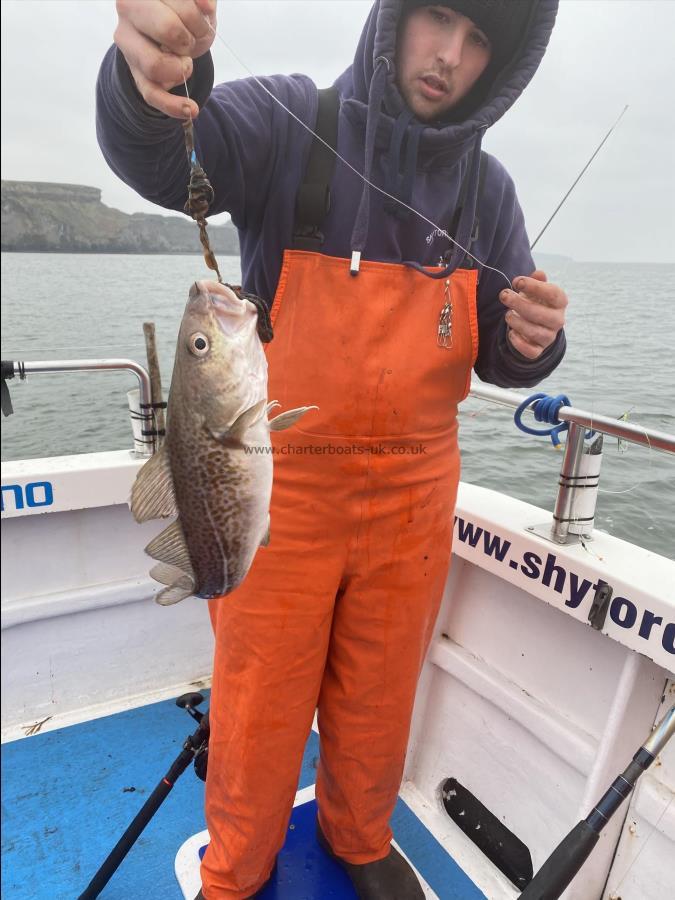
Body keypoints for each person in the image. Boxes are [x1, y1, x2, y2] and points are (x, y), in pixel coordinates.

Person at [98, 1, 567, 897]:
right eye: (439, 20)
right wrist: (150, 78)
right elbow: (164, 160)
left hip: (417, 495)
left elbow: (502, 350)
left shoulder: (488, 188)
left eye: (478, 44)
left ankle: (359, 835)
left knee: (380, 692)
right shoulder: (287, 122)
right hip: (280, 485)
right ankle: (235, 867)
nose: (450, 57)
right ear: (398, 19)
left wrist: (535, 342)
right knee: (260, 698)